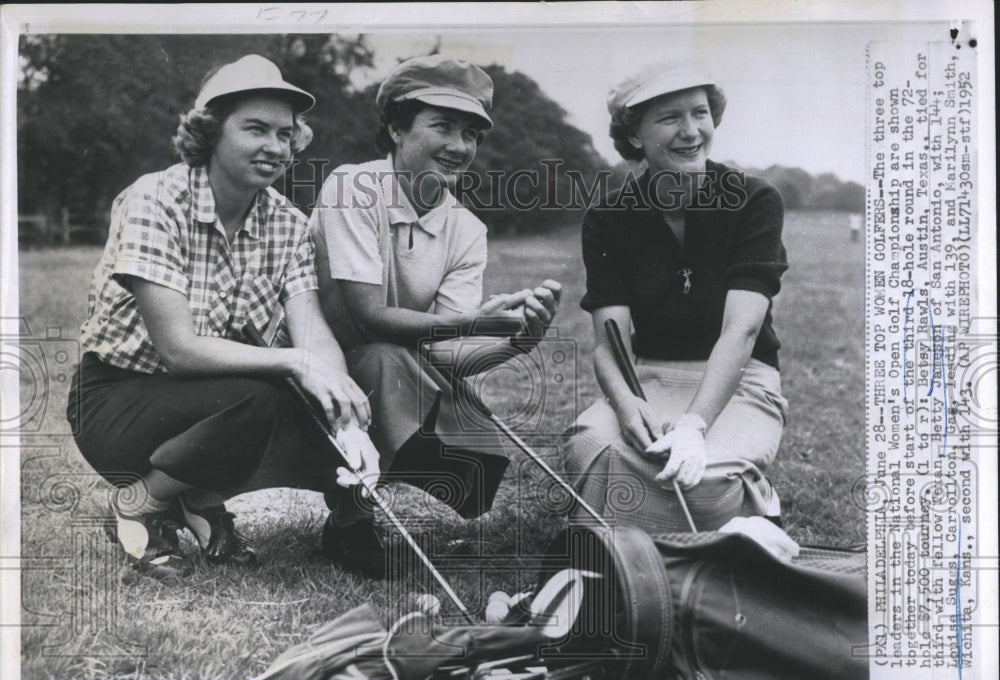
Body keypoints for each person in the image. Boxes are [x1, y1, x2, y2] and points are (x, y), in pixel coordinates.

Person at [67, 55, 378, 580]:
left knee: (292, 393)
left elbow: (311, 331)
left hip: (201, 400)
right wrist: (297, 361)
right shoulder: (156, 198)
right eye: (255, 129)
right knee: (261, 391)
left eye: (285, 133)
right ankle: (141, 503)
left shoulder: (288, 223)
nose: (275, 147)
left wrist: (348, 417)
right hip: (115, 398)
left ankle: (199, 499)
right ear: (209, 132)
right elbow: (178, 348)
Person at [310, 55, 562, 578]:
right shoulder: (351, 188)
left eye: (470, 133)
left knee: (472, 459)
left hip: (381, 372)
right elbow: (368, 318)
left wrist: (517, 341)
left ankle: (353, 509)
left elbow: (447, 356)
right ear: (397, 129)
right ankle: (352, 521)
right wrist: (474, 323)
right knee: (383, 358)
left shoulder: (467, 230)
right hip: (306, 368)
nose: (458, 146)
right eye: (441, 126)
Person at [562, 61, 789, 533]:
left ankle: (745, 498)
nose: (691, 131)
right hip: (650, 380)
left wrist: (694, 426)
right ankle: (722, 516)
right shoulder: (609, 216)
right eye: (670, 118)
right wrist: (626, 404)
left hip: (740, 381)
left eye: (700, 113)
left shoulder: (753, 201)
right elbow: (610, 343)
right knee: (589, 447)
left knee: (698, 484)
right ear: (636, 134)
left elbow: (741, 330)